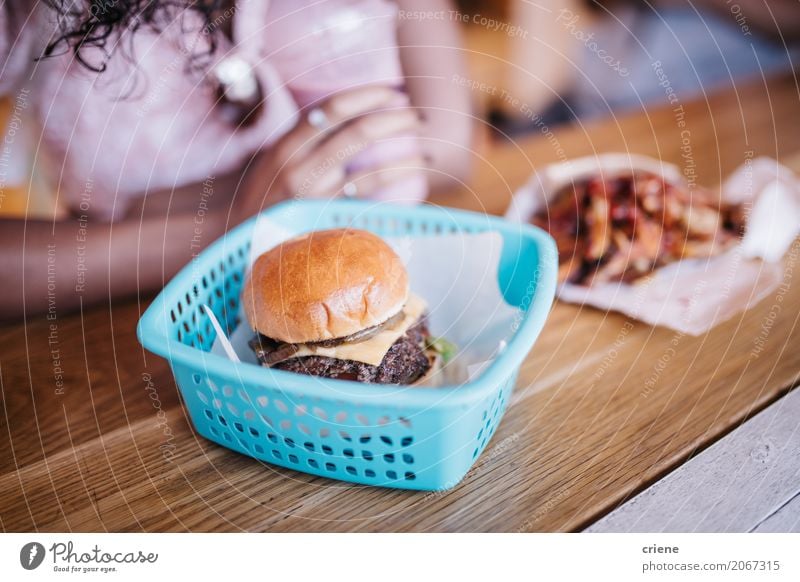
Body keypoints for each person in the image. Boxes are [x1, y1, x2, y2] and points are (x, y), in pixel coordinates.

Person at [0, 0, 472, 319]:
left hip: (361, 273)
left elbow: (453, 149)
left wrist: (355, 171)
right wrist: (240, 224)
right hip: (135, 314)